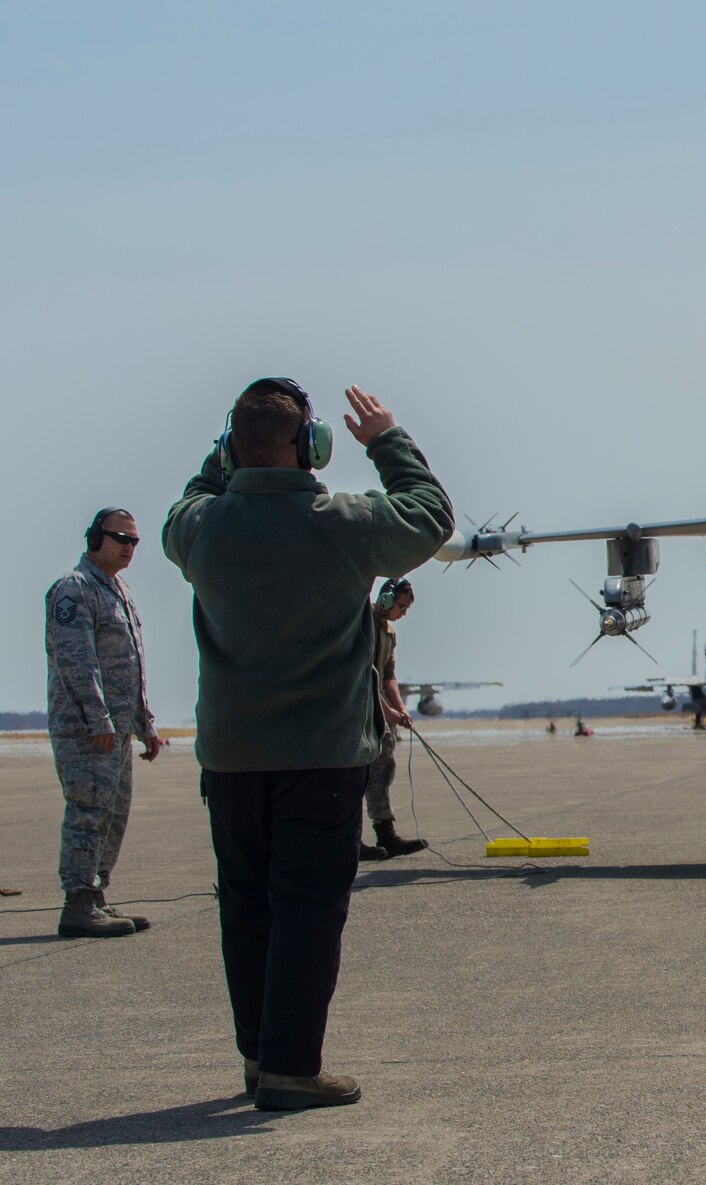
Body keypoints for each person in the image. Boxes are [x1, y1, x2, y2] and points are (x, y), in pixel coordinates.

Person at [164, 379, 451, 1112]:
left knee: (246, 906)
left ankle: (260, 1058)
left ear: (231, 450)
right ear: (310, 448)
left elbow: (189, 500)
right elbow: (432, 516)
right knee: (307, 907)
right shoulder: (345, 520)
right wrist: (386, 438)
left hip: (231, 758)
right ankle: (294, 1066)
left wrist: (225, 458)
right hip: (321, 757)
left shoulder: (201, 526)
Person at [45, 507, 167, 938]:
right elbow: (77, 663)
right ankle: (77, 903)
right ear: (95, 538)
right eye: (120, 538)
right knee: (88, 812)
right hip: (87, 732)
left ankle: (95, 896)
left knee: (113, 815)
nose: (129, 547)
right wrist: (98, 719)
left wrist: (146, 724)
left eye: (134, 541)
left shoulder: (120, 590)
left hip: (118, 731)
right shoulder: (73, 590)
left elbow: (132, 665)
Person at [358, 578, 425, 861]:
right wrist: (389, 713)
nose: (403, 612)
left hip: (378, 716)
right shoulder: (362, 625)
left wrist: (401, 710)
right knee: (354, 778)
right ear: (385, 599)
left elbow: (388, 676)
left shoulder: (389, 633)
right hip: (358, 715)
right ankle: (350, 840)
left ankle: (386, 834)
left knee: (381, 773)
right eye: (401, 606)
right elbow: (363, 679)